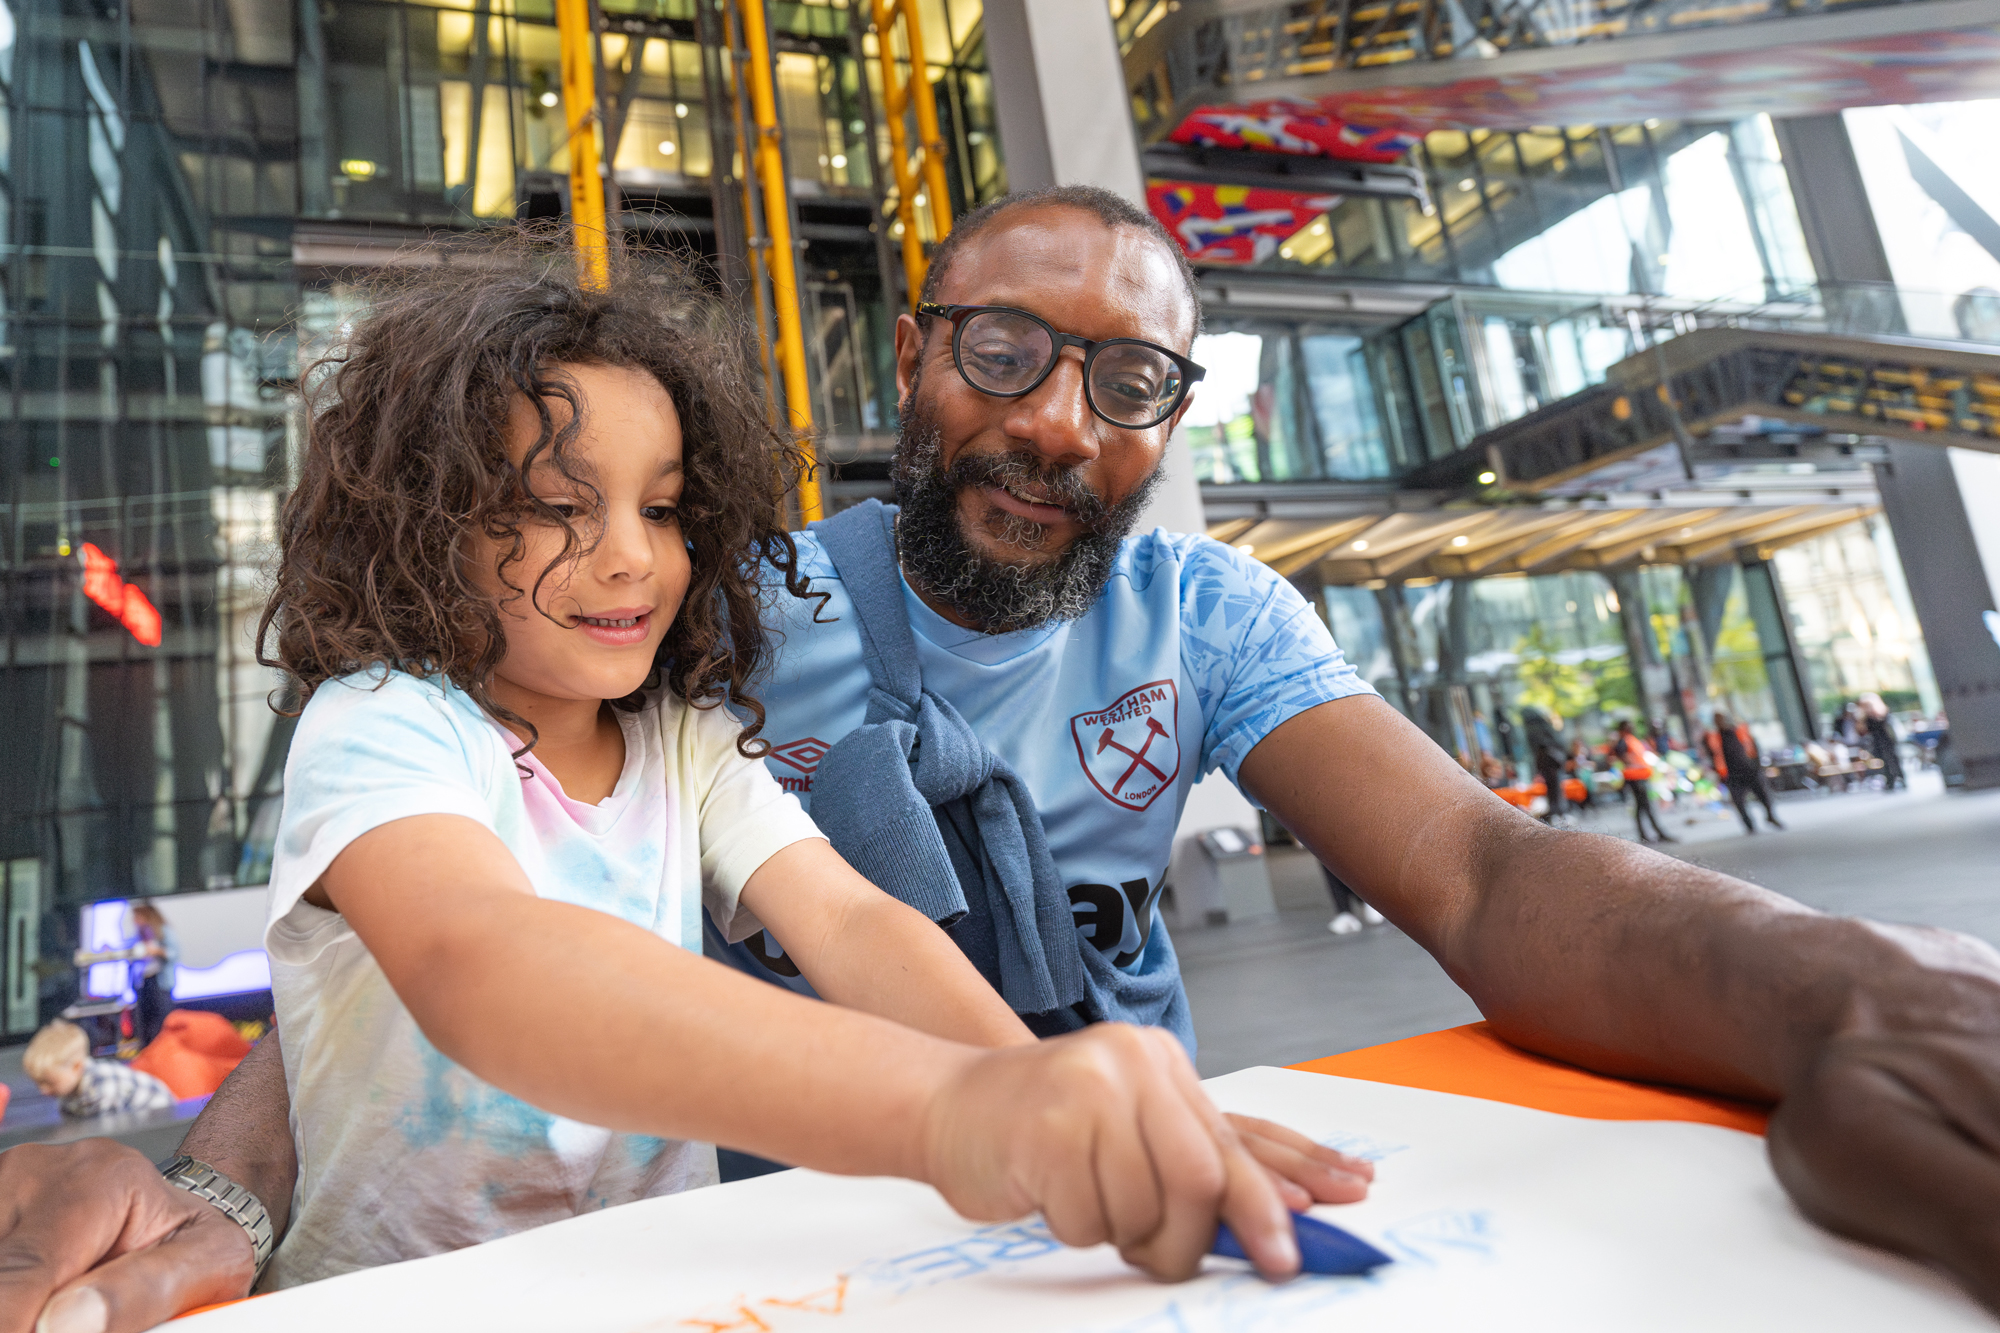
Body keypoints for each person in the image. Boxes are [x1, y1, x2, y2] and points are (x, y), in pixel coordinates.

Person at [14, 186, 2000, 1327]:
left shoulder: (1181, 622)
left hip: (980, 1235)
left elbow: (1474, 872)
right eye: (1007, 354)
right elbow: (457, 945)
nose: (1062, 421)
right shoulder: (669, 642)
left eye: (1129, 380)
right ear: (912, 349)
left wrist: (1832, 986)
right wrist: (228, 1188)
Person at [21, 1020, 175, 1120]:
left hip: (160, 1120)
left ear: (76, 1067)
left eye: (49, 1083)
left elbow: (106, 1134)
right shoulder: (67, 1090)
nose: (43, 1090)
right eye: (39, 1083)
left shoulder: (102, 1086)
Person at [1704, 711, 1784, 834]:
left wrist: (1758, 766)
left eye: (1723, 719)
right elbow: (1712, 756)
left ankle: (1770, 816)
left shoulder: (1740, 731)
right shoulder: (1712, 737)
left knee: (1764, 795)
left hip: (1750, 770)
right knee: (1739, 802)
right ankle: (1749, 824)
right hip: (1731, 775)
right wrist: (1718, 774)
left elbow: (1754, 748)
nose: (1721, 722)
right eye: (1718, 720)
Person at [1611, 719, 1673, 844]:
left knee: (1642, 807)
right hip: (1635, 778)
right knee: (1644, 806)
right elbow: (1619, 755)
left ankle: (1647, 834)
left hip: (1640, 777)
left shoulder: (1631, 740)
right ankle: (1654, 833)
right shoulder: (1624, 741)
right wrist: (1628, 762)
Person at [128, 903, 178, 1048]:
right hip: (143, 983)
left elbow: (174, 953)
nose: (135, 920)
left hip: (160, 982)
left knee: (161, 1020)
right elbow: (130, 950)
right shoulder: (138, 935)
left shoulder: (163, 931)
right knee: (145, 1021)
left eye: (138, 916)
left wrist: (156, 951)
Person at [1858, 692, 1906, 790]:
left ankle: (1900, 778)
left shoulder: (1882, 713)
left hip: (1887, 740)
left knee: (1893, 760)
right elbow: (1862, 729)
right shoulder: (1866, 717)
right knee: (1884, 762)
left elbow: (1885, 726)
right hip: (1877, 742)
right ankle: (1890, 780)